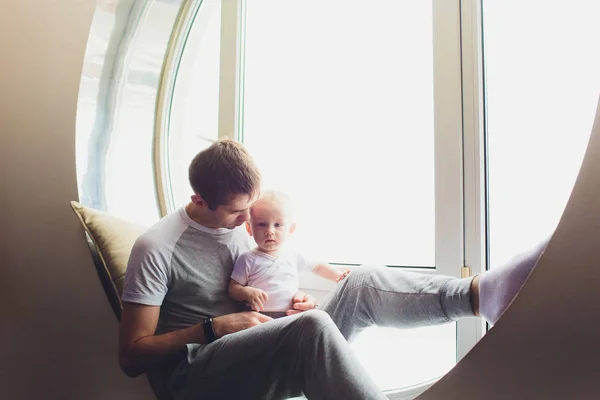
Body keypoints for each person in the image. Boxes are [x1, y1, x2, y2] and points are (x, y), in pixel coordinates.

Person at [119, 139, 549, 400]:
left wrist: (294, 301)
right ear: (198, 200)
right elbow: (132, 357)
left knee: (359, 281)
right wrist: (213, 327)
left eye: (252, 209)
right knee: (313, 328)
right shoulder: (157, 248)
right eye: (237, 214)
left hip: (259, 345)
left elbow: (268, 273)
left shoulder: (243, 221)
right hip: (199, 375)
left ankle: (483, 292)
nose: (249, 223)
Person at [228, 190, 351, 318]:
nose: (270, 231)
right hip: (259, 317)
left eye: (278, 225)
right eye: (262, 224)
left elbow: (318, 267)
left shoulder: (293, 255)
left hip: (291, 314)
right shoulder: (247, 259)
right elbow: (233, 288)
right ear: (249, 228)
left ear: (290, 229)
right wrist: (246, 292)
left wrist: (338, 276)